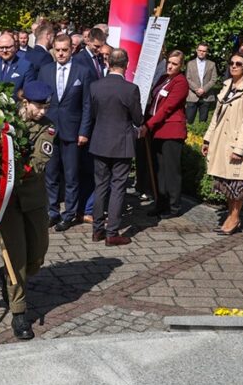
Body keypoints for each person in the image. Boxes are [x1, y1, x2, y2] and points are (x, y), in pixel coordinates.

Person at [0, 81, 55, 340]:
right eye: (38, 106)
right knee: (17, 257)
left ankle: (10, 277)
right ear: (25, 103)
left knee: (37, 254)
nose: (42, 111)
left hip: (33, 199)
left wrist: (12, 169)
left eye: (45, 106)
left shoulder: (47, 128)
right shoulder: (5, 122)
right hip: (7, 203)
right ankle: (19, 312)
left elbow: (39, 163)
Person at [79, 48, 143, 246]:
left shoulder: (96, 87)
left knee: (100, 186)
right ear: (127, 64)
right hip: (121, 143)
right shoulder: (130, 89)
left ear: (108, 63)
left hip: (100, 141)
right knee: (117, 187)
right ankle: (112, 232)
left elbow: (93, 114)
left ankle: (97, 230)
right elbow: (138, 119)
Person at [203, 51, 243, 235]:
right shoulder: (226, 86)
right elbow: (216, 116)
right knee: (226, 183)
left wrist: (240, 149)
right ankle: (231, 215)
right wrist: (207, 138)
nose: (234, 66)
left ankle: (234, 218)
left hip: (235, 144)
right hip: (220, 142)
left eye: (238, 64)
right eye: (232, 63)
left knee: (236, 184)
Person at [38, 33, 87, 232]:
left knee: (71, 174)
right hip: (49, 129)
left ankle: (69, 214)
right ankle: (52, 211)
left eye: (64, 50)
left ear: (72, 50)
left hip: (72, 131)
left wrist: (84, 131)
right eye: (57, 50)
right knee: (50, 173)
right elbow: (40, 100)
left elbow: (87, 105)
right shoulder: (46, 70)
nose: (60, 53)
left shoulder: (82, 72)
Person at [144, 51, 190, 218]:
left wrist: (149, 125)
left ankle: (174, 207)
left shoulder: (181, 82)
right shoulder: (164, 78)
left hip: (171, 131)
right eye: (169, 62)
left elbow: (167, 107)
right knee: (159, 170)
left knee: (171, 171)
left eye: (175, 64)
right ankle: (161, 202)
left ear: (181, 66)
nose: (170, 66)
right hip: (158, 130)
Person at [0, 32, 35, 98]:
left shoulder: (26, 66)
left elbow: (28, 93)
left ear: (15, 47)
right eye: (1, 48)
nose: (4, 50)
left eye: (8, 47)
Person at [185, 43, 217, 124]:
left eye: (204, 51)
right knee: (188, 120)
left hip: (206, 95)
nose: (201, 52)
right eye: (200, 50)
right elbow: (187, 78)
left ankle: (200, 134)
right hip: (192, 95)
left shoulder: (212, 64)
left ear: (207, 52)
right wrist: (196, 89)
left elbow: (213, 79)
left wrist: (204, 89)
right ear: (196, 50)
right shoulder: (190, 63)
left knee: (203, 121)